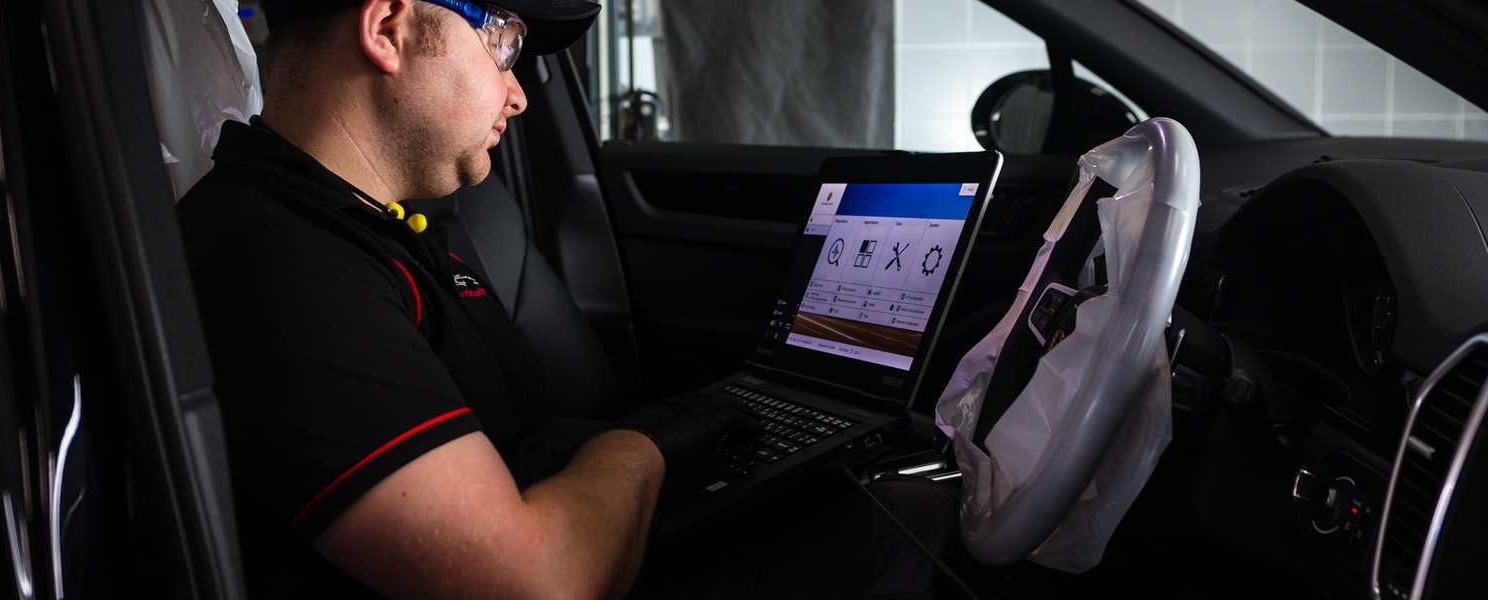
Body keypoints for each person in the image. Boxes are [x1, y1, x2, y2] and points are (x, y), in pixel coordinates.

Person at [177, 0, 972, 598]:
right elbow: (537, 581)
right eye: (503, 47)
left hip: (591, 523)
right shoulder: (279, 254)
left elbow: (515, 444)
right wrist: (645, 444)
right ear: (387, 27)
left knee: (901, 491)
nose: (518, 95)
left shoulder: (388, 226)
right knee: (917, 529)